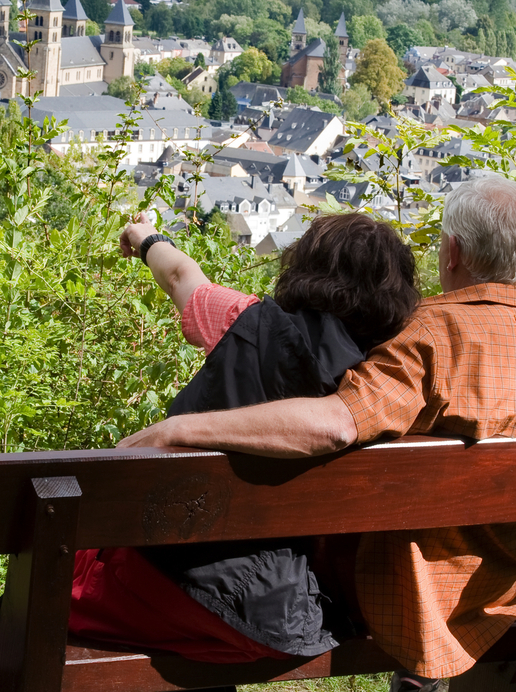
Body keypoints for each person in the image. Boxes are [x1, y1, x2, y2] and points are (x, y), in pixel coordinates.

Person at [118, 177, 516, 691]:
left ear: (452, 253)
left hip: (403, 596)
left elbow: (338, 422)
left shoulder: (426, 339)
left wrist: (179, 429)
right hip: (502, 584)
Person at [68, 211, 421, 665]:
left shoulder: (246, 321)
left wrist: (145, 236)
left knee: (61, 578)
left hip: (178, 591)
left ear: (305, 266)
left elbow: (179, 275)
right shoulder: (384, 379)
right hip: (292, 613)